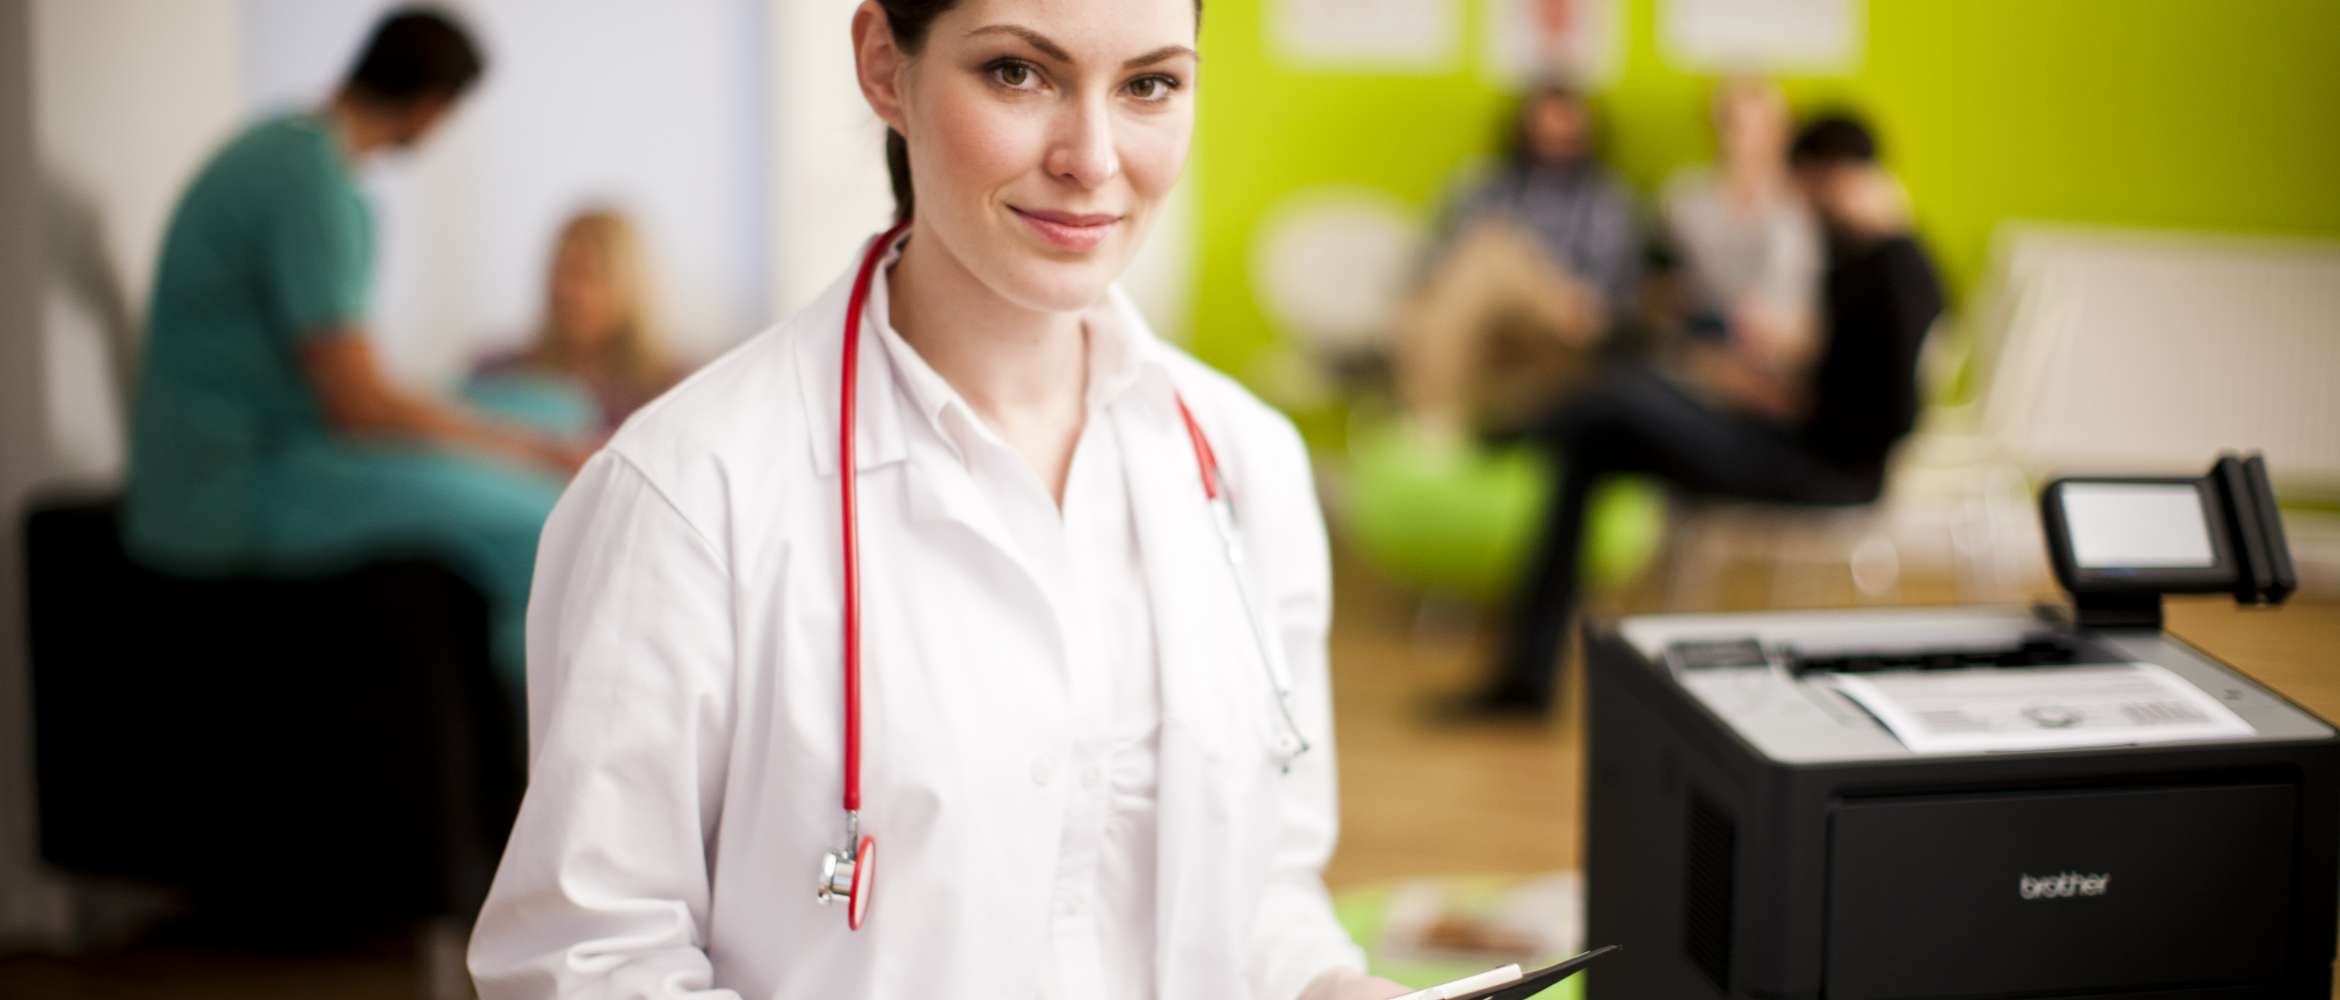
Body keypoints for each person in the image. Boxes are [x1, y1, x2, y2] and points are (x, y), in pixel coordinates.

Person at [467, 2, 1410, 998]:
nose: (1091, 158)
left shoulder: (1245, 460)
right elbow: (587, 962)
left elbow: (1265, 889)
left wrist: (1329, 985)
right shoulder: (686, 493)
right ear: (884, 65)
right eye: (1018, 73)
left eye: (1149, 84)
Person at [125, 7, 587, 687]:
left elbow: (349, 382)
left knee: (557, 405)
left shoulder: (292, 152)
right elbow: (360, 406)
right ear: (432, 109)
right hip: (240, 483)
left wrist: (530, 433)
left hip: (292, 435)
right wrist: (528, 451)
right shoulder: (307, 181)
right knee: (542, 520)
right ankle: (539, 761)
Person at [1447, 110, 1945, 719]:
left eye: (1803, 188)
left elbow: (1893, 418)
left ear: (1831, 178)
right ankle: (1525, 676)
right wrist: (1771, 375)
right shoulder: (1857, 257)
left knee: (1623, 395)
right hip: (1789, 435)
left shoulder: (1898, 269)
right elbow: (1839, 374)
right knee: (1599, 436)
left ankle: (1509, 438)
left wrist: (1788, 399)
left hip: (1823, 468)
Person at [1394, 83, 1643, 435]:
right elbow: (1439, 260)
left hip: (1568, 321)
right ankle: (1440, 423)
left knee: (1493, 246)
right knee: (1433, 298)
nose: (1555, 143)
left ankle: (1432, 422)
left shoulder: (1606, 200)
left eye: (1566, 136)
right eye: (1545, 134)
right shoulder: (1486, 187)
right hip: (1491, 322)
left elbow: (1612, 295)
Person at [1656, 77, 1823, 400]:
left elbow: (1821, 307)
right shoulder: (1682, 199)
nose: (1744, 137)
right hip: (1706, 349)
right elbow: (1659, 295)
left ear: (1783, 130)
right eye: (1733, 122)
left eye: (1759, 124)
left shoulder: (1807, 202)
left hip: (1790, 357)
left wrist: (1781, 337)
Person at [469, 208, 685, 435]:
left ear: (630, 286)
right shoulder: (499, 372)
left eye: (586, 274)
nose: (566, 290)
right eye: (561, 271)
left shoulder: (673, 390)